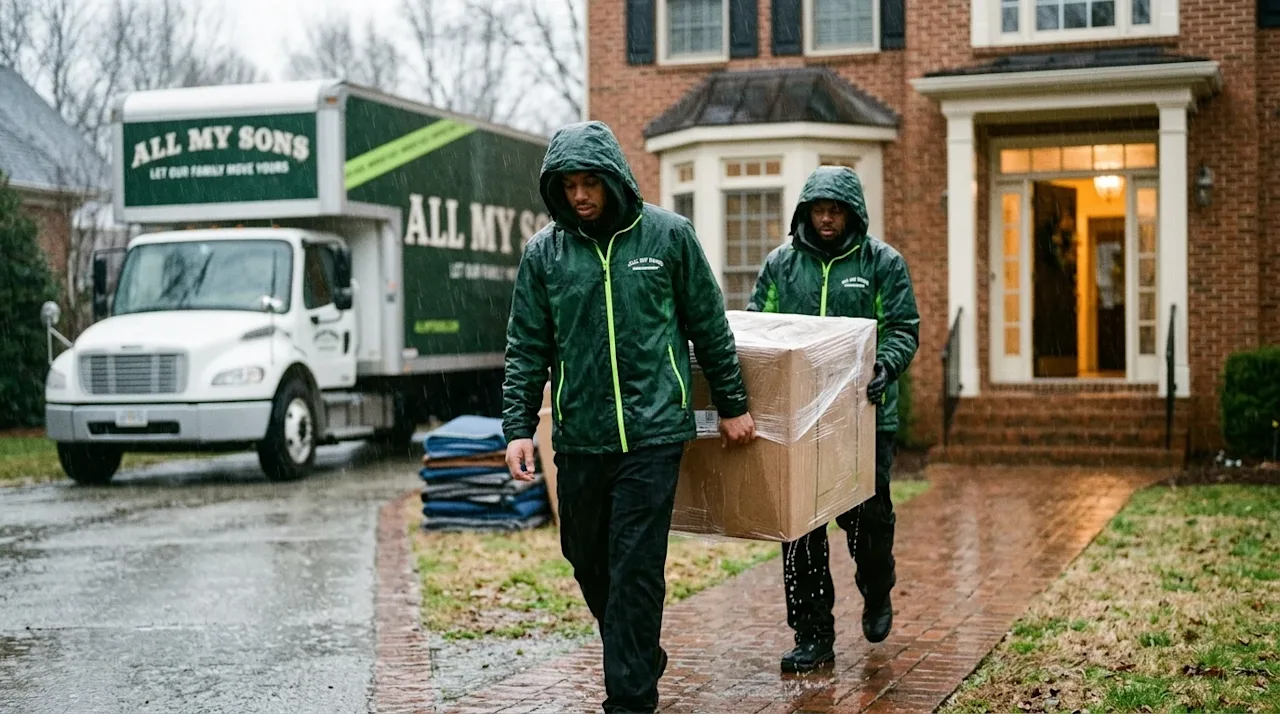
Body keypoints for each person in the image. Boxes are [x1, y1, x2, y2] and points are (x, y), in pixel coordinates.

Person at [501, 120, 757, 713]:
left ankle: (631, 697)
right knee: (587, 559)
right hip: (581, 437)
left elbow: (708, 325)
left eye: (591, 182)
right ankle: (638, 649)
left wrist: (733, 404)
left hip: (652, 434)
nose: (581, 196)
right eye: (569, 186)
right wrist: (517, 426)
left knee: (636, 568)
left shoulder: (668, 237)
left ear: (614, 178)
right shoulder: (546, 253)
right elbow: (526, 345)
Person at [747, 165, 920, 673]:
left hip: (865, 417)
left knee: (868, 522)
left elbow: (902, 326)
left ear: (852, 213)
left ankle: (876, 586)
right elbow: (762, 328)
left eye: (837, 209)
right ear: (805, 212)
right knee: (799, 530)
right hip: (799, 422)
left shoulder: (882, 263)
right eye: (819, 209)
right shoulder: (781, 265)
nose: (827, 218)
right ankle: (812, 634)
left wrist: (885, 365)